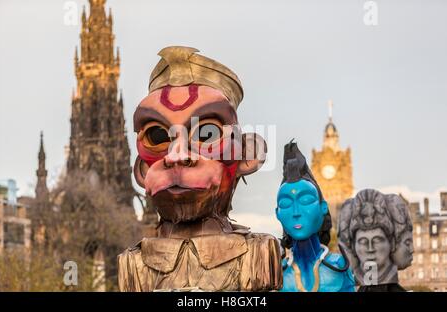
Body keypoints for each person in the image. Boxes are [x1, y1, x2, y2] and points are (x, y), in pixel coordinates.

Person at [117, 46, 282, 292]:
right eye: (158, 134)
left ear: (247, 155)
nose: (177, 155)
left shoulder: (258, 254)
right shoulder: (134, 263)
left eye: (207, 133)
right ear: (141, 171)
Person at [276, 141, 355, 292]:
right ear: (277, 213)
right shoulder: (275, 274)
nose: (296, 211)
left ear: (323, 208)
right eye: (286, 203)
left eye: (306, 200)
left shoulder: (339, 266)